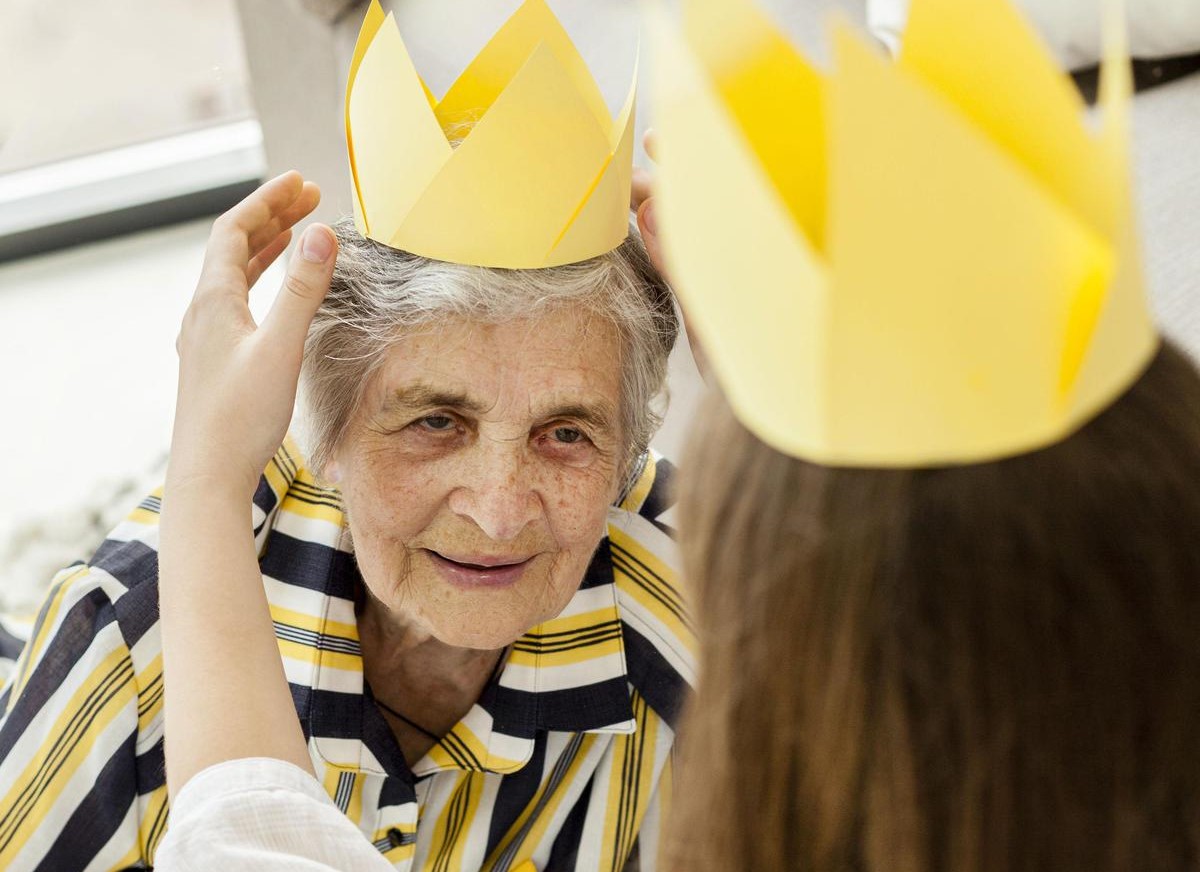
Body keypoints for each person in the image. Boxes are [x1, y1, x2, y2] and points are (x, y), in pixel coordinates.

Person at [0, 166, 689, 870]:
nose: (498, 513)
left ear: (626, 455)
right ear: (326, 432)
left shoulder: (699, 604)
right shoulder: (128, 630)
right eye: (437, 421)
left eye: (566, 434)